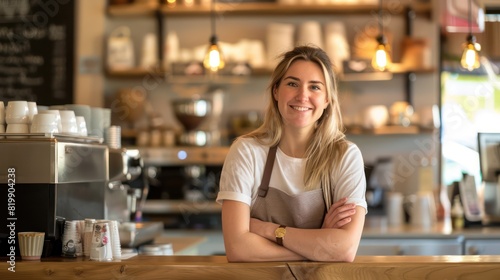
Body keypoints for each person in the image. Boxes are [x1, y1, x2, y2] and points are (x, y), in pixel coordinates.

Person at [216, 45, 367, 262]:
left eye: (315, 87)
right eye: (292, 84)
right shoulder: (246, 152)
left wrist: (270, 230)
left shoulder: (344, 156)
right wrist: (319, 246)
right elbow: (238, 249)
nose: (302, 96)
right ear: (276, 91)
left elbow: (344, 250)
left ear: (327, 100)